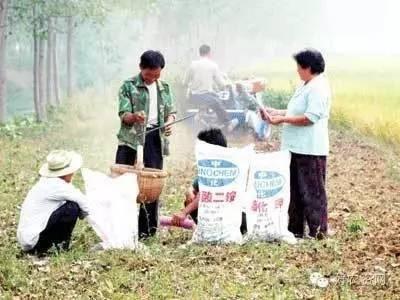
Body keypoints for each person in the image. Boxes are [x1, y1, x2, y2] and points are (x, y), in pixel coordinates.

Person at [260, 48, 331, 239]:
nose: (297, 71)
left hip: (310, 149)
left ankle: (318, 231)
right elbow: (295, 110)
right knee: (294, 190)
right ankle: (295, 229)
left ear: (308, 67)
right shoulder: (306, 85)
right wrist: (276, 112)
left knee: (313, 192)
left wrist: (282, 120)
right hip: (294, 148)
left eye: (299, 67)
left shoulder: (318, 87)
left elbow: (309, 118)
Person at [115, 50, 176, 239]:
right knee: (123, 182)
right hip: (131, 140)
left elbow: (171, 112)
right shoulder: (128, 86)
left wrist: (169, 122)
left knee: (151, 184)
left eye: (157, 75)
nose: (152, 79)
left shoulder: (164, 87)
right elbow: (123, 115)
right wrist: (134, 117)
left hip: (154, 139)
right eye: (149, 75)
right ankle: (121, 229)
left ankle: (147, 231)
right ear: (141, 68)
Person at [171, 128, 247, 234]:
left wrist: (184, 212)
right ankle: (208, 230)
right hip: (220, 216)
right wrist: (189, 191)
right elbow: (198, 184)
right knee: (190, 198)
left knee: (193, 203)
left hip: (240, 218)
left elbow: (205, 194)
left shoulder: (229, 165)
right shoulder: (213, 165)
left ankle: (219, 231)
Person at [17, 150, 89, 254]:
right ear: (67, 172)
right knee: (72, 207)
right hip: (34, 242)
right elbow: (85, 204)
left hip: (28, 240)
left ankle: (54, 246)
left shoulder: (48, 181)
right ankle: (59, 248)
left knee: (70, 204)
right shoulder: (57, 185)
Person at [183, 44, 230, 124]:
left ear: (200, 53)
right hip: (206, 97)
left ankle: (201, 118)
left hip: (193, 97)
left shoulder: (192, 65)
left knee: (212, 98)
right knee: (219, 105)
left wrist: (190, 87)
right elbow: (221, 84)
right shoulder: (213, 65)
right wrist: (227, 84)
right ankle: (226, 124)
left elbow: (184, 82)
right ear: (209, 53)